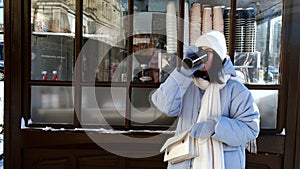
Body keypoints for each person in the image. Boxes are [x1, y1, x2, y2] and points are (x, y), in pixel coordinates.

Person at [151, 30, 260, 169]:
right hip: (184, 162)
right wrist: (182, 72)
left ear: (219, 56)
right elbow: (164, 105)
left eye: (209, 50)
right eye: (199, 50)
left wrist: (215, 127)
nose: (202, 55)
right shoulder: (186, 83)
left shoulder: (235, 89)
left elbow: (250, 129)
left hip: (223, 162)